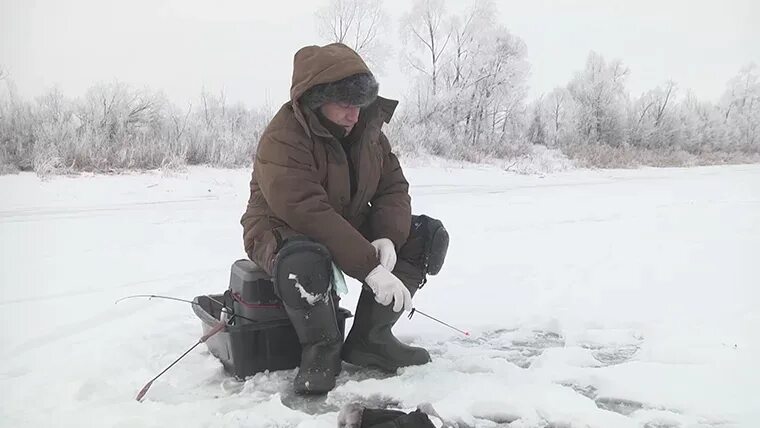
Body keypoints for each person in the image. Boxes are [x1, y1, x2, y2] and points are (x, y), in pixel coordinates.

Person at [240, 43, 448, 395]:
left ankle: (371, 338)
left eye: (359, 104)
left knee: (426, 236)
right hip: (281, 228)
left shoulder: (368, 132)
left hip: (343, 221)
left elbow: (393, 186)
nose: (354, 115)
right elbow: (306, 210)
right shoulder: (283, 137)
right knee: (305, 259)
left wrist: (387, 237)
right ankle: (321, 348)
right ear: (315, 100)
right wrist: (369, 267)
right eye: (344, 105)